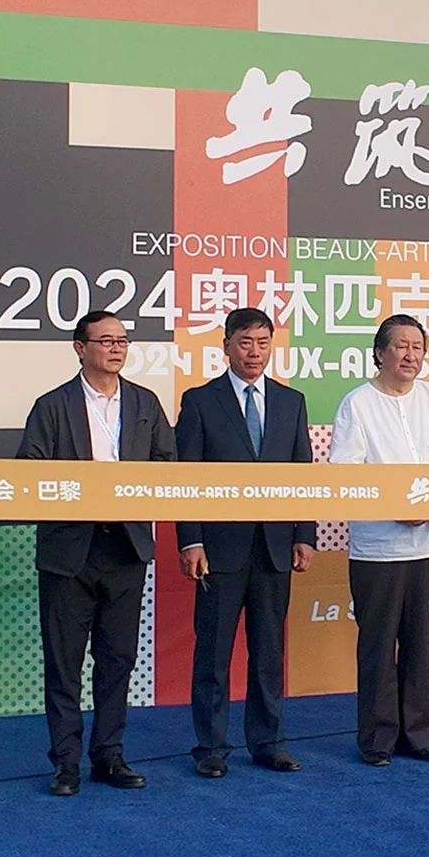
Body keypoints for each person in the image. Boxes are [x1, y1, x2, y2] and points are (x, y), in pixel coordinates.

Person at [17, 310, 175, 796]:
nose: (116, 348)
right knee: (64, 663)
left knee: (117, 659)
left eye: (122, 340)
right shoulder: (52, 406)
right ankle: (65, 763)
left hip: (125, 546)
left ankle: (109, 755)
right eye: (105, 340)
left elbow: (168, 464)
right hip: (70, 550)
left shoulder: (145, 403)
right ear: (79, 348)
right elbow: (29, 472)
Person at [175, 309, 315, 778]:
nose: (254, 352)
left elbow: (301, 474)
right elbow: (186, 479)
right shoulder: (200, 401)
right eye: (245, 342)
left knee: (269, 652)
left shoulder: (292, 401)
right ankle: (211, 746)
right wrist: (191, 540)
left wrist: (304, 534)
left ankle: (268, 742)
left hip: (275, 546)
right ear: (226, 347)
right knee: (213, 654)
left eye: (262, 342)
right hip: (219, 548)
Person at [329, 314, 429, 767]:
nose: (411, 355)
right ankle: (377, 738)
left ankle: (418, 735)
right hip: (378, 545)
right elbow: (346, 472)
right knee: (377, 643)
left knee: (418, 640)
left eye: (418, 347)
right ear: (380, 352)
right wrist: (395, 506)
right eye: (401, 346)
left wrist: (428, 504)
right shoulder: (357, 403)